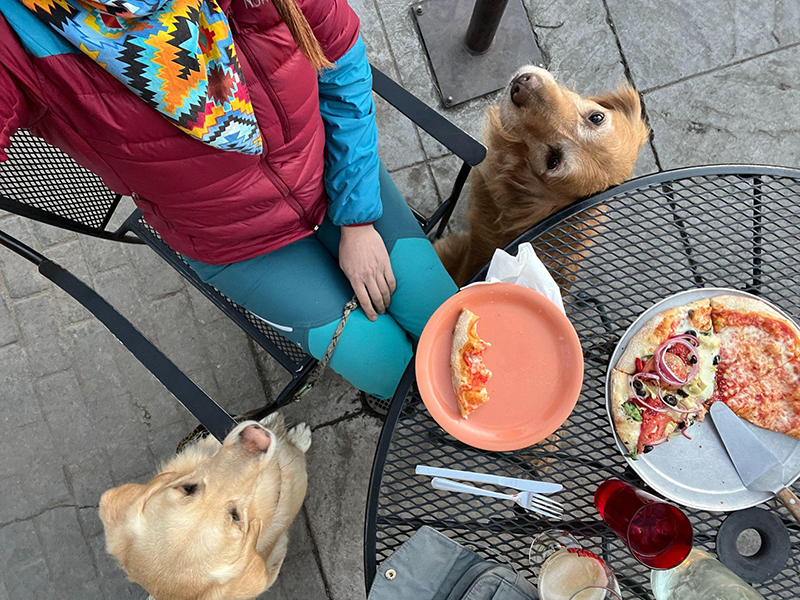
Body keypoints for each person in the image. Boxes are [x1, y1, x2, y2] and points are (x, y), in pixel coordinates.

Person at [0, 0, 457, 400]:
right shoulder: (17, 33)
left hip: (331, 172)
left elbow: (342, 62)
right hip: (239, 247)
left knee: (453, 328)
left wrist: (357, 220)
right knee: (391, 371)